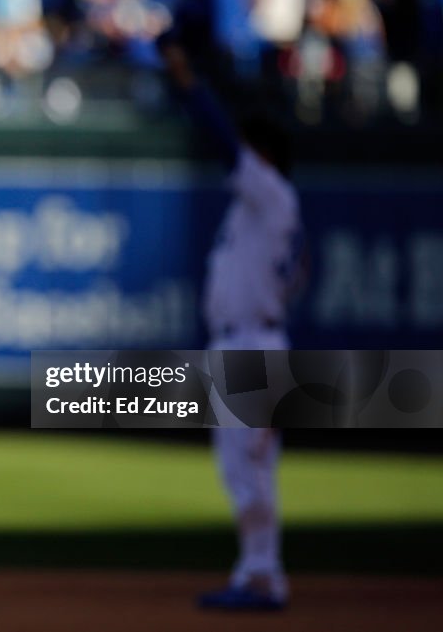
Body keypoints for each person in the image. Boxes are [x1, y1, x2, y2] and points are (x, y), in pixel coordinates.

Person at [160, 37, 305, 612]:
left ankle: (264, 574)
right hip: (247, 344)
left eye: (252, 148)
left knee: (247, 467)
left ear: (264, 154)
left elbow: (223, 141)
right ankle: (256, 570)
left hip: (251, 346)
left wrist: (190, 83)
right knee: (242, 467)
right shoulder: (263, 209)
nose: (242, 155)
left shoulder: (270, 193)